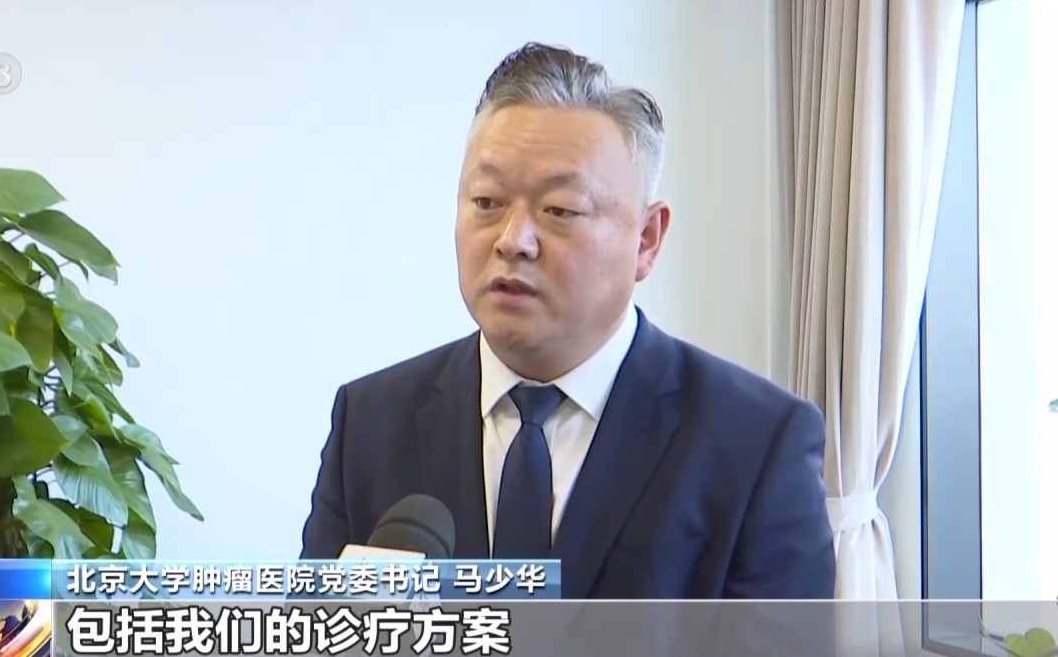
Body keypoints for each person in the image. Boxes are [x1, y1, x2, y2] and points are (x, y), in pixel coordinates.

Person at [299, 42, 835, 599]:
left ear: (646, 239)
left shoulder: (756, 444)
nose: (513, 241)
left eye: (560, 210)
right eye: (486, 202)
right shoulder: (371, 423)